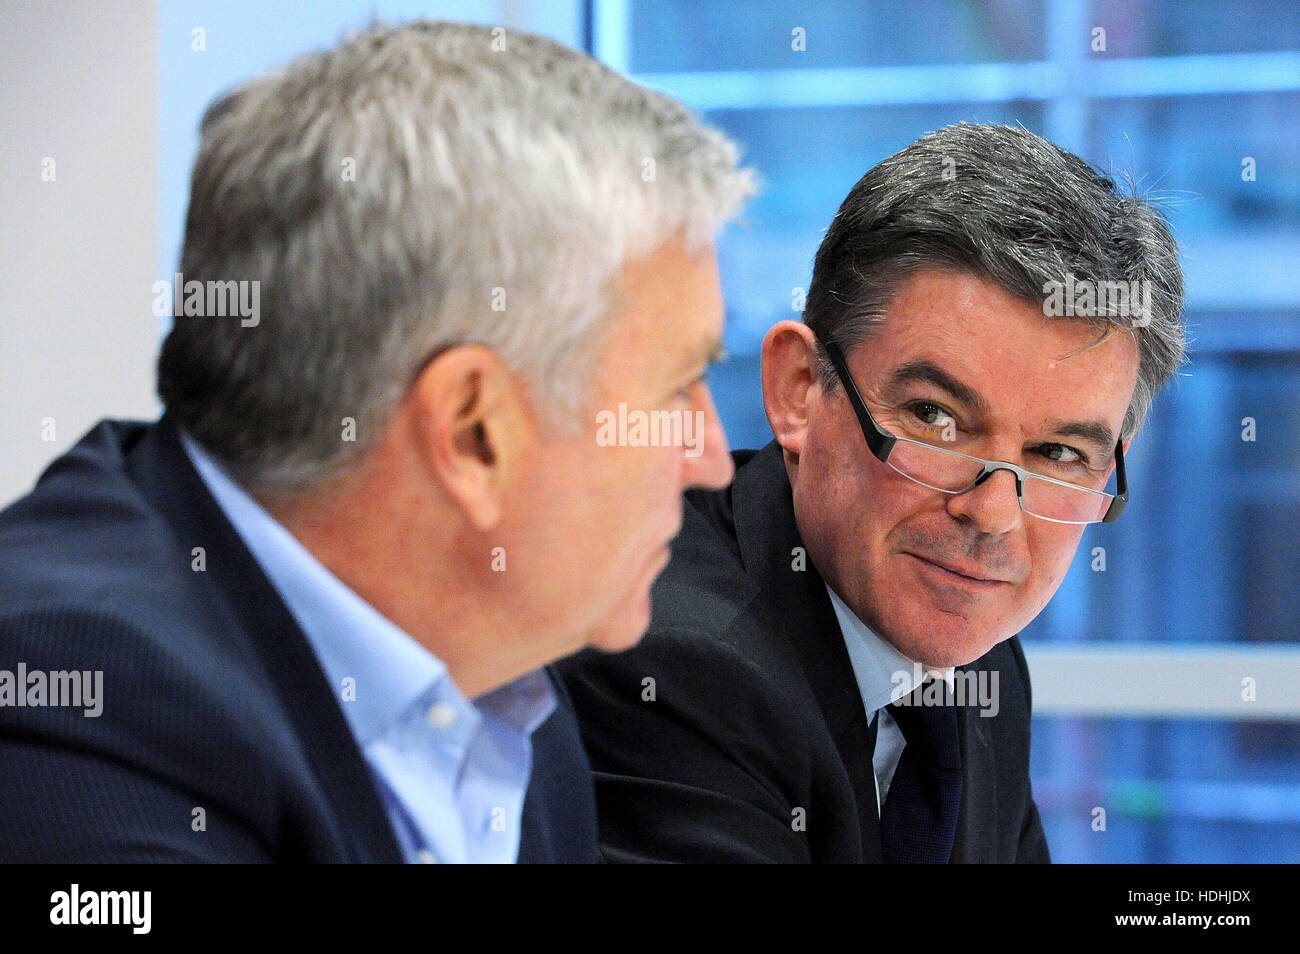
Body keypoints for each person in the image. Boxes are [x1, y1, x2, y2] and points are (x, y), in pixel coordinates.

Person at [0, 20, 751, 863]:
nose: (712, 458)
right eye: (676, 388)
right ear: (472, 435)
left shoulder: (504, 687)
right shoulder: (77, 713)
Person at [557, 122, 1185, 863]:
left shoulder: (980, 667)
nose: (992, 514)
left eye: (1057, 453)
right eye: (936, 419)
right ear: (798, 389)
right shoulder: (671, 659)